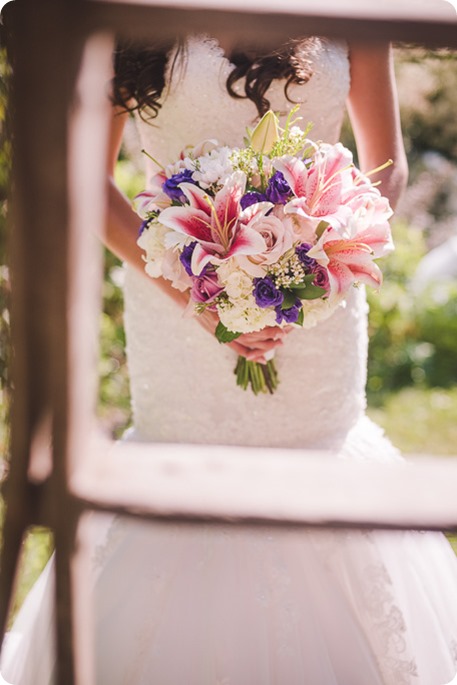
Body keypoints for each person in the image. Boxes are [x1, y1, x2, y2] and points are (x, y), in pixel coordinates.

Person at [2, 32, 457, 685]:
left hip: (316, 311)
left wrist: (307, 273)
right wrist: (199, 294)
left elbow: (387, 169)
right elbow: (87, 175)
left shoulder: (354, 9)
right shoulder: (137, 19)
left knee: (317, 464)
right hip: (175, 304)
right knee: (184, 474)